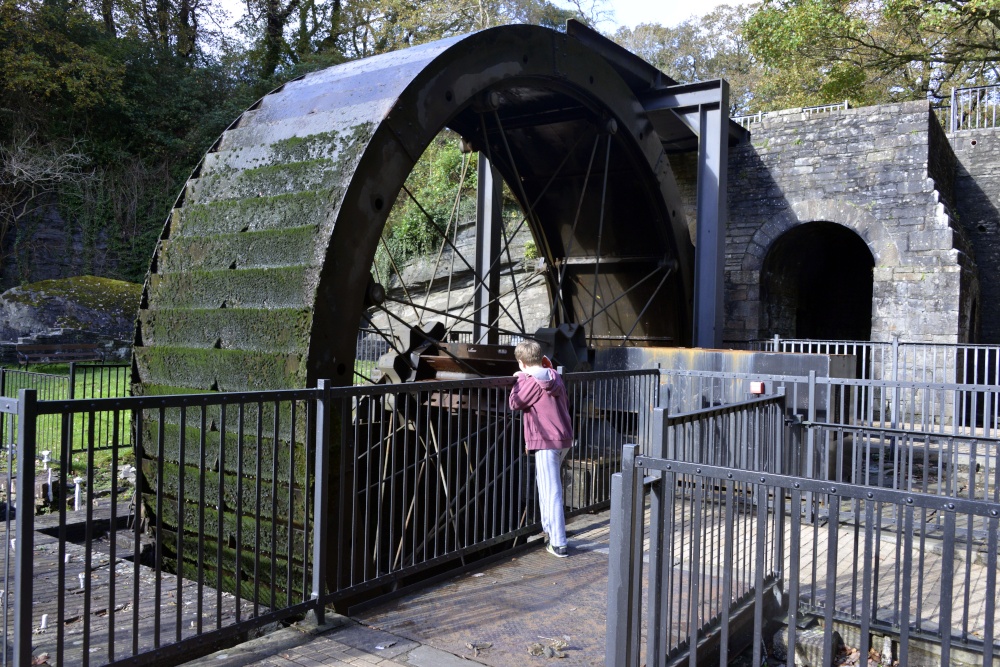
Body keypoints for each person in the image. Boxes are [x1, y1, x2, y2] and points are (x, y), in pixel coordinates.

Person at [509, 340, 574, 558]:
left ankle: (558, 543)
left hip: (546, 440)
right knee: (547, 486)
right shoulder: (554, 375)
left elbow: (514, 402)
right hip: (563, 438)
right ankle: (549, 530)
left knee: (551, 490)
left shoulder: (531, 382)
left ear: (522, 363)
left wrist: (520, 378)